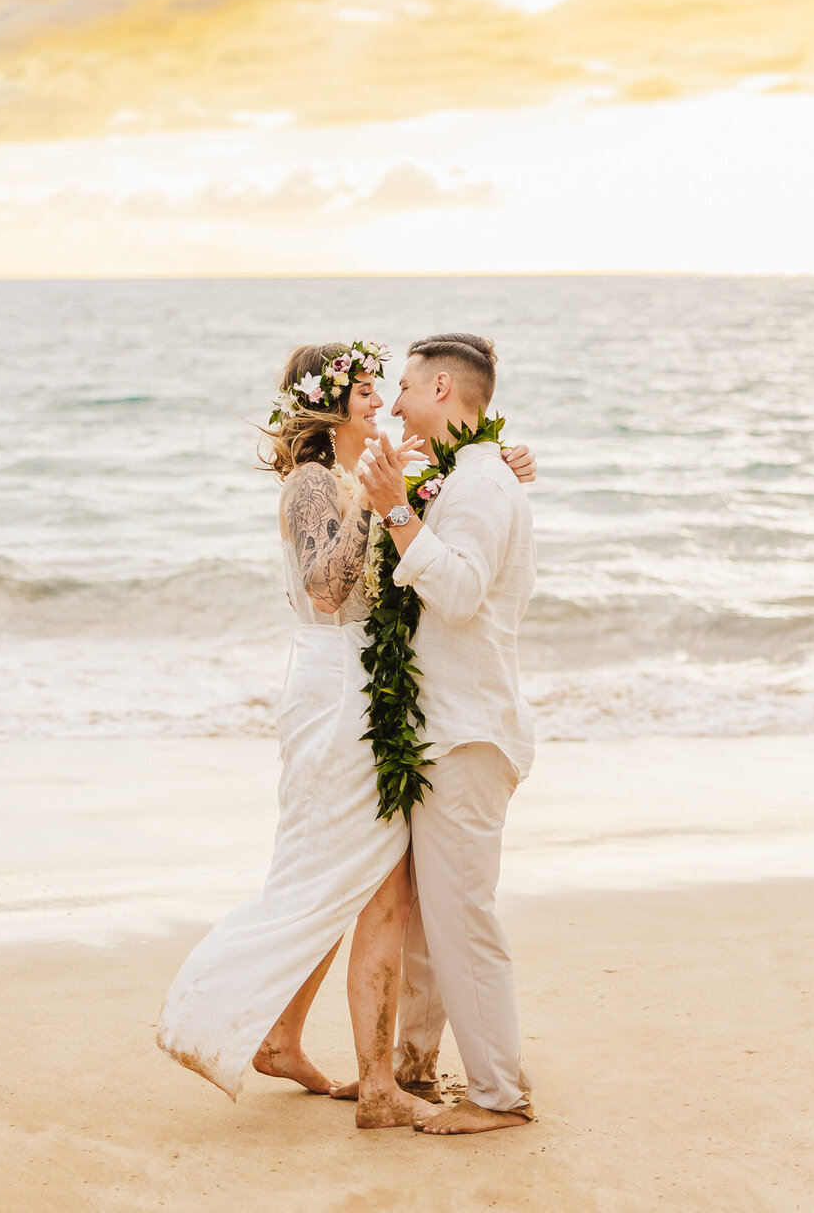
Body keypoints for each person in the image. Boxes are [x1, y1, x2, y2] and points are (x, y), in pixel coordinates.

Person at [156, 340, 535, 1129]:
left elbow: (434, 549)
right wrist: (378, 495)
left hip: (374, 692)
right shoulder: (310, 485)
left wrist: (490, 467)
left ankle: (310, 1049)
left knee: (365, 876)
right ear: (329, 406)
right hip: (332, 688)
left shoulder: (371, 476)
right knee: (334, 872)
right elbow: (330, 590)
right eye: (366, 389)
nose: (382, 403)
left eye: (382, 386)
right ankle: (269, 1028)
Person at [358, 332, 537, 1135]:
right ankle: (414, 1070)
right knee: (434, 919)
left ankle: (501, 1095)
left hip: (468, 735)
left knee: (463, 919)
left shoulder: (482, 486)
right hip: (452, 728)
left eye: (403, 388)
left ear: (440, 387)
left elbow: (460, 595)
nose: (394, 404)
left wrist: (397, 506)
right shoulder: (469, 478)